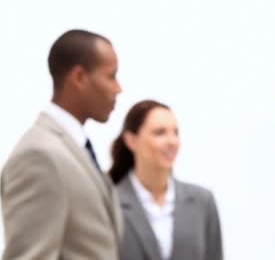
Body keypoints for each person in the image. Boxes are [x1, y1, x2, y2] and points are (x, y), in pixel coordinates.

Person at [1, 29, 123, 259]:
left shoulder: (76, 148)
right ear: (79, 77)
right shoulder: (38, 155)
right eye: (111, 76)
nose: (118, 88)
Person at [109, 99, 223, 260]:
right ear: (131, 140)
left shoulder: (202, 201)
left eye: (175, 132)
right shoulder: (110, 203)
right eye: (160, 132)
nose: (172, 141)